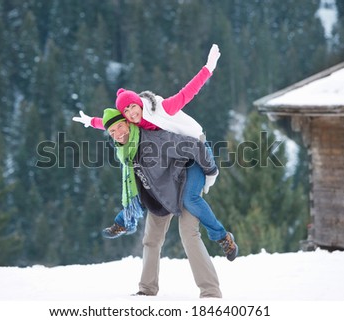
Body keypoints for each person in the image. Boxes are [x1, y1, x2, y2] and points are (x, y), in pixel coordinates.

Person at [73, 44, 234, 253]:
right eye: (126, 111)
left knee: (190, 198)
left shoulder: (162, 109)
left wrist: (208, 68)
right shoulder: (134, 124)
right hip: (172, 158)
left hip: (195, 152)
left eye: (132, 106)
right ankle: (124, 220)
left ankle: (222, 237)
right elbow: (114, 125)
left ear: (139, 103)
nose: (131, 112)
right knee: (147, 183)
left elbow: (188, 93)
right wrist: (93, 122)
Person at [102, 108, 237, 297]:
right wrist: (123, 219)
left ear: (129, 124)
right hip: (161, 192)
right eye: (112, 132)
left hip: (184, 181)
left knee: (189, 234)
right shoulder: (126, 152)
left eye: (120, 126)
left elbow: (195, 146)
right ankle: (147, 290)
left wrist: (211, 171)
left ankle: (210, 293)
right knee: (151, 239)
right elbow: (139, 187)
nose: (118, 133)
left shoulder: (154, 139)